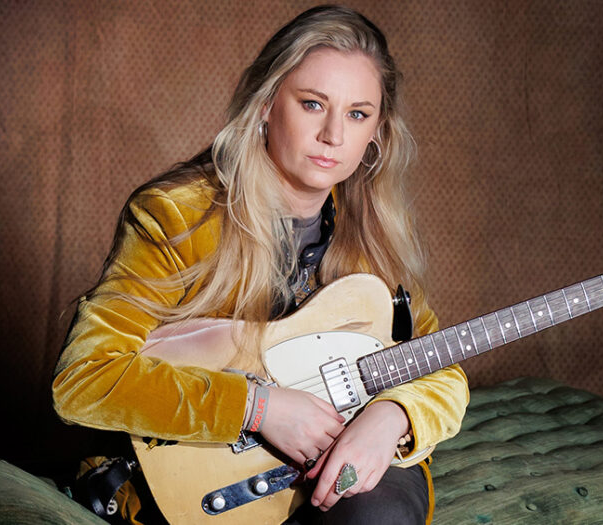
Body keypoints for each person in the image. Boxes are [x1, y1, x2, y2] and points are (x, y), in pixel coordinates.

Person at [52, 5, 469, 524]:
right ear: (267, 104)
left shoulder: (374, 240)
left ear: (377, 132)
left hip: (341, 455)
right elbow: (85, 380)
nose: (334, 135)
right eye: (313, 104)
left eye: (357, 114)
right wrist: (259, 407)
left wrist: (393, 417)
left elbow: (442, 368)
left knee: (378, 516)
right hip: (210, 480)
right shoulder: (178, 216)